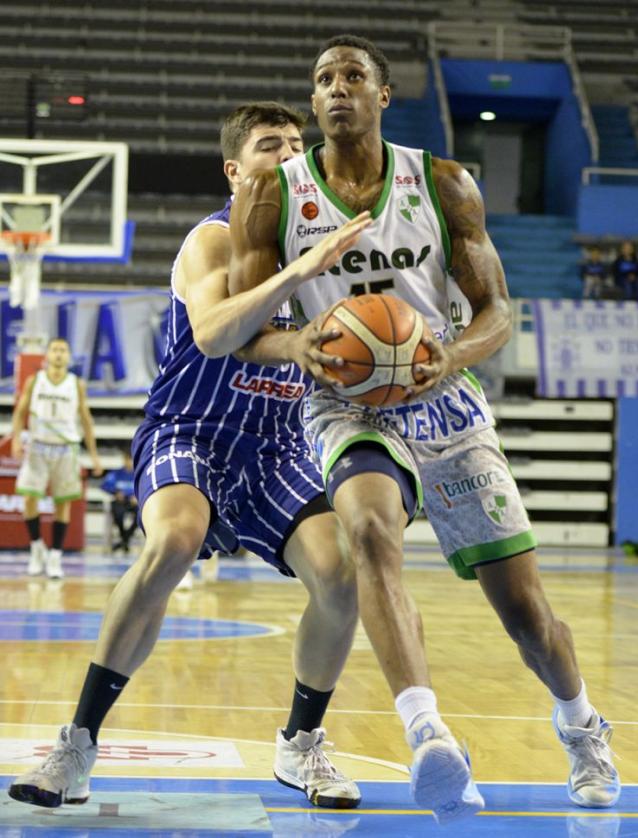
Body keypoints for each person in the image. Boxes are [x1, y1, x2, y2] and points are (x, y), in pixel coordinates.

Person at [226, 35, 621, 823]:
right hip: (343, 401)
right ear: (314, 103)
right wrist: (297, 342)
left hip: (443, 399)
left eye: (353, 77)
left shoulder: (443, 183)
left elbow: (497, 312)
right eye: (323, 80)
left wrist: (451, 355)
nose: (337, 89)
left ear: (383, 95)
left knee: (527, 616)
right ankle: (428, 732)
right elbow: (244, 328)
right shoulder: (273, 194)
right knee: (370, 532)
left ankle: (581, 724)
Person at [9, 102, 371, 812]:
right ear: (236, 170)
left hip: (276, 444)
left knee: (342, 573)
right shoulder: (211, 241)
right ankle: (77, 743)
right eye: (272, 145)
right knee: (173, 540)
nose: (291, 155)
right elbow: (212, 333)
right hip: (190, 429)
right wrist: (302, 272)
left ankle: (300, 746)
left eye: (299, 145)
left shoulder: (327, 250)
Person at [11, 337, 103, 579]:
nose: (59, 354)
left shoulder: (75, 384)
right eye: (55, 349)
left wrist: (94, 456)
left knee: (62, 503)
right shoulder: (35, 381)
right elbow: (20, 412)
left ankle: (55, 557)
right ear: (47, 354)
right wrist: (16, 440)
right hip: (38, 447)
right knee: (29, 500)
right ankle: (36, 548)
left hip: (66, 448)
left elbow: (86, 420)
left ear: (69, 356)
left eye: (63, 349)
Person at [101, 448, 137, 554]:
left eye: (131, 459)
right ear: (124, 460)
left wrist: (137, 496)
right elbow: (104, 485)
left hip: (134, 502)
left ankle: (123, 540)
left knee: (141, 515)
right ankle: (125, 540)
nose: (129, 462)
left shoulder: (139, 474)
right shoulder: (116, 473)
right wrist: (116, 492)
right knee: (118, 514)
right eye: (127, 459)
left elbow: (145, 487)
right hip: (119, 502)